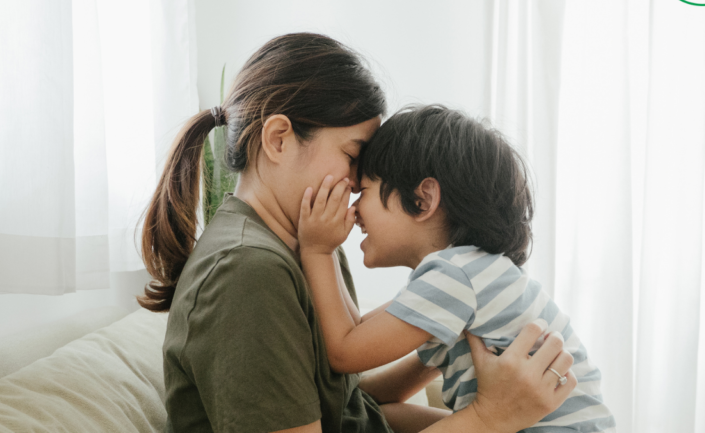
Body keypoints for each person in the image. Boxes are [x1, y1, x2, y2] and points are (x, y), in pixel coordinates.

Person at [138, 33, 577, 433]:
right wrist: (490, 418)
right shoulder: (246, 273)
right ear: (278, 140)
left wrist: (445, 336)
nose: (356, 183)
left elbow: (347, 403)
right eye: (353, 156)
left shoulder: (313, 245)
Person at [297, 105, 615, 433]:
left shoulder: (455, 277)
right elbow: (358, 335)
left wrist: (318, 250)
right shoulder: (471, 273)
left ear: (422, 200)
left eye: (363, 192)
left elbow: (345, 353)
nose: (354, 209)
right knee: (383, 416)